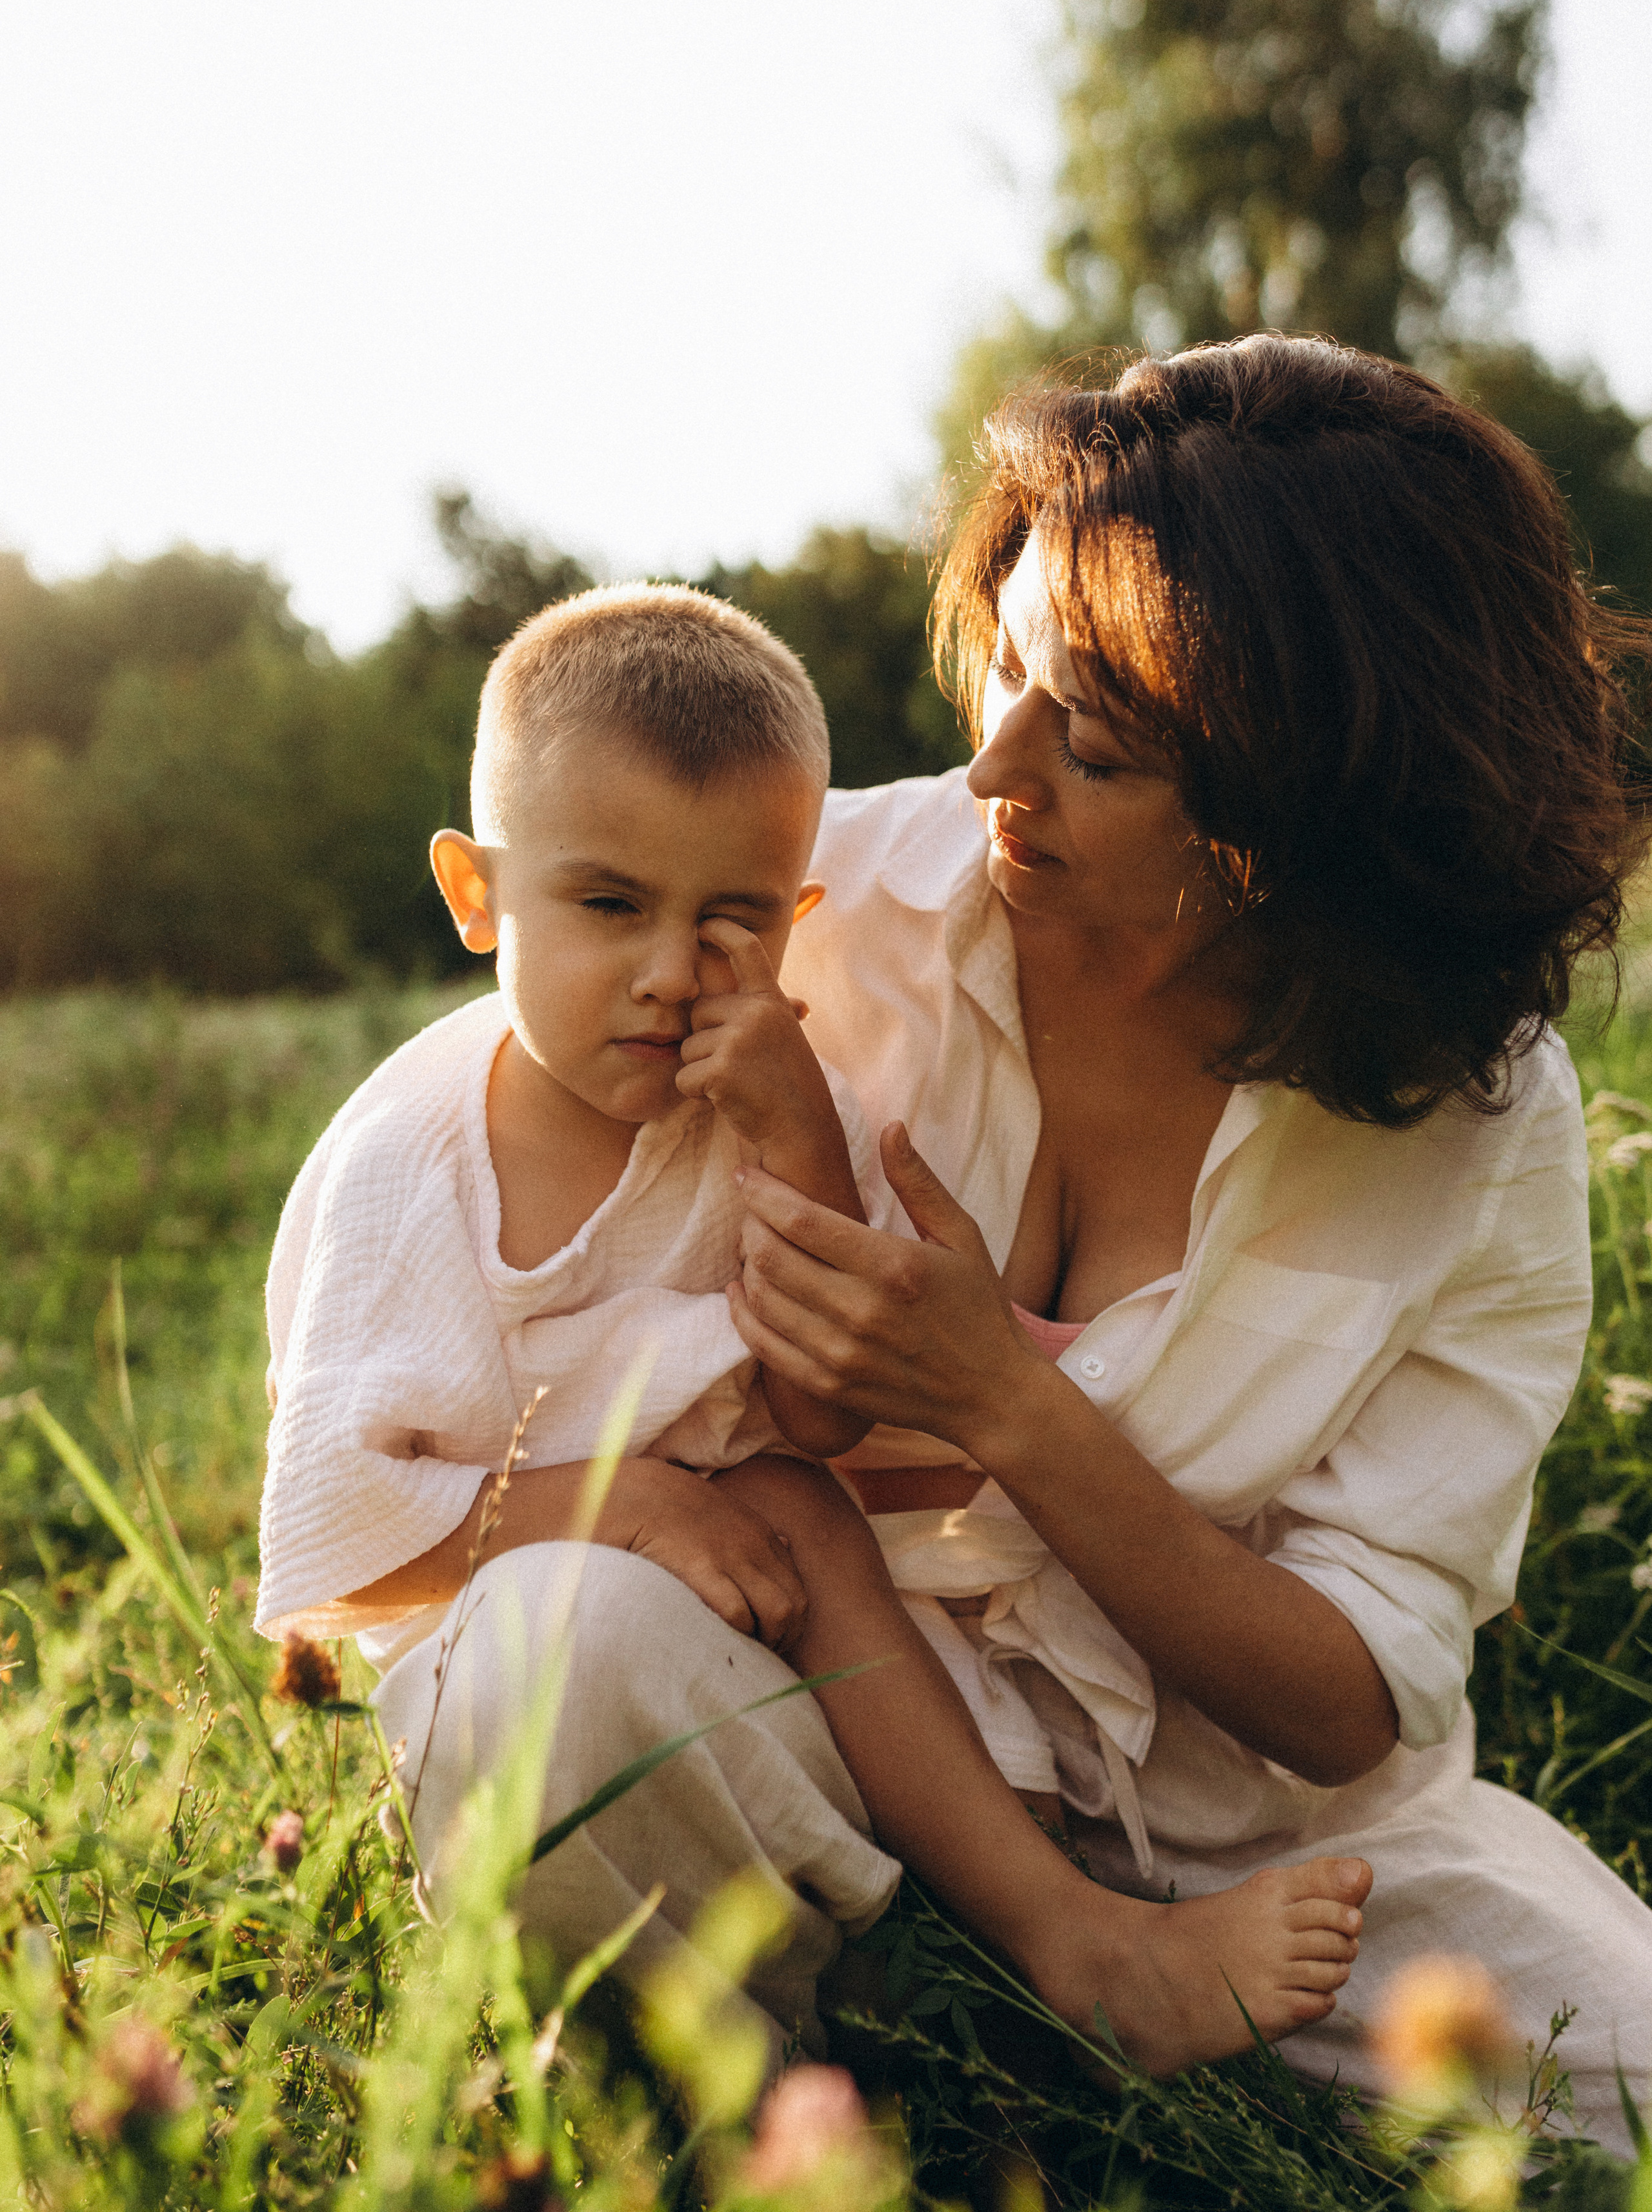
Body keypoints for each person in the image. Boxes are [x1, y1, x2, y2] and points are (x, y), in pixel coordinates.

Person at [254, 579, 1367, 2076]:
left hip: (759, 1574)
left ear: (802, 917)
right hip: (496, 1590)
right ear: (475, 896)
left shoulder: (768, 1102)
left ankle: (1053, 1945)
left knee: (796, 1505)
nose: (668, 973)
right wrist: (627, 1504)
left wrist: (795, 1147)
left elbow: (827, 1416)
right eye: (606, 907)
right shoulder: (413, 1166)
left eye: (731, 920)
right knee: (685, 1571)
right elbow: (335, 1532)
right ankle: (778, 2073)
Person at [734, 336, 1652, 2146]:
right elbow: (468, 1122)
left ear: (1311, 818)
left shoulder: (1486, 1129)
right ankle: (859, 2066)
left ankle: (968, 2037)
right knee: (559, 1663)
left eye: (1100, 740)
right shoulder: (823, 907)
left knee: (1624, 2069)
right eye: (1005, 663)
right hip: (854, 1744)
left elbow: (1350, 1707)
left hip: (1276, 1859)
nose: (995, 762)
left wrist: (1011, 1404)